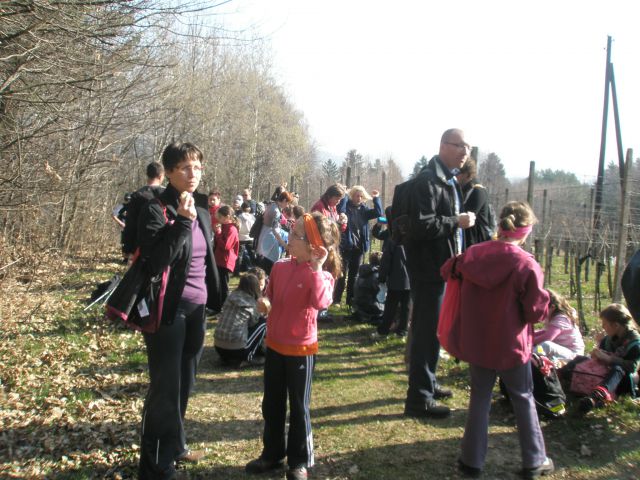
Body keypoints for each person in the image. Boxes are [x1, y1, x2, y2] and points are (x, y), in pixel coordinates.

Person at [440, 200, 553, 479]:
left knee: (479, 398)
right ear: (524, 231)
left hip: (477, 342)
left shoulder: (473, 255)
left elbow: (446, 271)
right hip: (511, 346)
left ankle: (471, 461)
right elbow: (535, 311)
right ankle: (534, 460)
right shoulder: (526, 264)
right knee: (523, 398)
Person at [136, 141, 221, 479]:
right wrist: (182, 223)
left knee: (184, 385)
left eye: (198, 167)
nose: (193, 173)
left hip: (197, 310)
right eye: (185, 167)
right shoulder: (155, 209)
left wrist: (218, 297)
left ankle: (176, 445)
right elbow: (156, 261)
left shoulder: (201, 210)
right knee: (164, 390)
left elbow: (205, 262)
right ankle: (155, 466)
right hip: (167, 311)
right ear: (169, 172)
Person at [245, 212, 342, 480]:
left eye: (296, 234)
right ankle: (272, 455)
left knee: (299, 408)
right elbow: (270, 297)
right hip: (275, 345)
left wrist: (317, 267)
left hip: (301, 350)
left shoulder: (322, 275)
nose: (290, 236)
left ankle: (299, 461)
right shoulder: (279, 266)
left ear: (314, 245)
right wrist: (265, 303)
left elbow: (321, 303)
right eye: (292, 229)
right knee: (272, 404)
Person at [402, 128, 476, 419]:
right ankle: (419, 399)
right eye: (460, 146)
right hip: (428, 268)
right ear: (444, 145)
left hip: (441, 268)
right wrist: (455, 221)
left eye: (468, 148)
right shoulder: (428, 180)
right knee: (424, 332)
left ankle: (429, 383)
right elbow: (422, 225)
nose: (465, 152)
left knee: (434, 330)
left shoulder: (446, 179)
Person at [579, 303, 640, 413]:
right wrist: (597, 350)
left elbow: (632, 367)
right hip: (604, 373)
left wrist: (610, 359)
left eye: (604, 324)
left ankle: (596, 396)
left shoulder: (634, 342)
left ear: (615, 325)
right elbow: (601, 355)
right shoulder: (608, 339)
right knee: (579, 360)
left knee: (618, 369)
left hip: (625, 381)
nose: (602, 327)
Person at [334, 185, 383, 306]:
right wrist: (344, 195)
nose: (359, 198)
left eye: (361, 196)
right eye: (357, 195)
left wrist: (376, 198)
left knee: (354, 275)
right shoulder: (347, 208)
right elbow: (340, 209)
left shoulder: (364, 210)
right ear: (352, 195)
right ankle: (337, 300)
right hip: (346, 246)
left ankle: (350, 300)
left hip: (359, 247)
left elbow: (378, 212)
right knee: (342, 273)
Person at [214, 272, 267, 367]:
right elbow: (253, 324)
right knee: (263, 323)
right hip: (237, 350)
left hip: (218, 347)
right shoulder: (252, 303)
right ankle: (247, 359)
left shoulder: (231, 296)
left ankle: (226, 358)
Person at [376, 215, 411, 337]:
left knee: (390, 306)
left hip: (396, 280)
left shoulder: (392, 242)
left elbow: (386, 262)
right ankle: (402, 330)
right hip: (410, 280)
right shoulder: (414, 242)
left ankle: (384, 330)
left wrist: (381, 277)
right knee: (406, 307)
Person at [122, 162, 165, 258]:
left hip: (140, 246)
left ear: (147, 175)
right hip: (164, 245)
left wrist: (127, 248)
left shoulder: (137, 196)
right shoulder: (167, 195)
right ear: (161, 176)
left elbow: (130, 224)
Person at [533, 289, 585, 363]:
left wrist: (529, 341)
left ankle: (524, 361)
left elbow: (548, 337)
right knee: (539, 347)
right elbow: (545, 332)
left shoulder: (561, 318)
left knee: (546, 345)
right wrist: (529, 336)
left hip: (573, 354)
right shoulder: (552, 317)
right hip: (562, 349)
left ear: (552, 307)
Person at [456, 158, 494, 246]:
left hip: (477, 242)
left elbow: (466, 216)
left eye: (458, 173)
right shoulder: (463, 190)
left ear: (467, 174)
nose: (455, 176)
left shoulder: (477, 191)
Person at [256, 190, 294, 275]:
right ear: (284, 201)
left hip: (264, 234)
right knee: (270, 266)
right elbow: (275, 231)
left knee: (263, 264)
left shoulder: (271, 205)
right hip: (269, 240)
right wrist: (285, 245)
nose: (287, 206)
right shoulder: (276, 211)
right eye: (287, 203)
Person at [214, 205, 240, 304]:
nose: (219, 219)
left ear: (228, 217)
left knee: (223, 285)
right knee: (219, 283)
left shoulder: (232, 229)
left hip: (225, 261)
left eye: (220, 217)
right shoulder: (225, 227)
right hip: (220, 259)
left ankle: (224, 305)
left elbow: (226, 246)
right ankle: (218, 304)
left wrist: (218, 233)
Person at [351, 251, 384, 324]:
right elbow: (381, 295)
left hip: (358, 305)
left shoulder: (362, 272)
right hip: (371, 306)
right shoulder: (377, 275)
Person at [237, 201, 256, 272]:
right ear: (249, 209)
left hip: (241, 238)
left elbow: (239, 227)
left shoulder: (240, 217)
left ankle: (237, 271)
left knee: (239, 255)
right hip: (250, 237)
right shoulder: (252, 217)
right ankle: (255, 269)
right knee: (252, 255)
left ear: (242, 208)